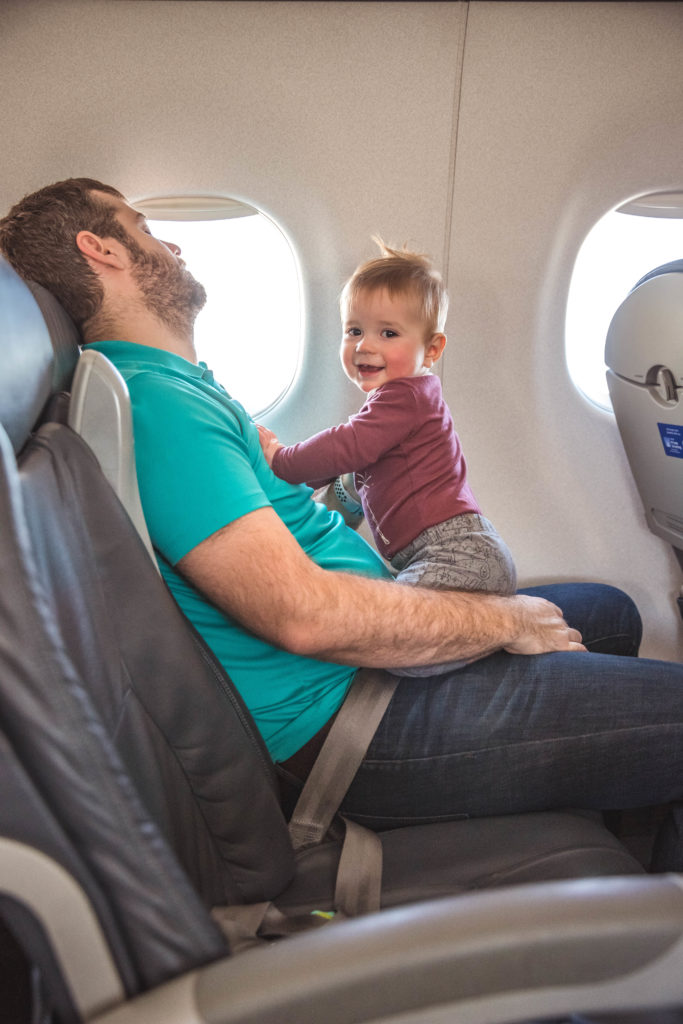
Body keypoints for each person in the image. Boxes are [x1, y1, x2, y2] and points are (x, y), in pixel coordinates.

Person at [1, 178, 682, 870]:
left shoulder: (178, 385)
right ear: (101, 249)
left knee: (608, 613)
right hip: (356, 726)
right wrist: (503, 620)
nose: (168, 242)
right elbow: (302, 616)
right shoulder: (156, 407)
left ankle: (580, 820)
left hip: (362, 679)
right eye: (142, 227)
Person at [258, 240, 516, 675]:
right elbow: (356, 480)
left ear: (432, 349)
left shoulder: (406, 397)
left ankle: (497, 646)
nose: (363, 346)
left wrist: (281, 460)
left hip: (456, 554)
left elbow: (346, 446)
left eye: (388, 333)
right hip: (441, 555)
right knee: (393, 636)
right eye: (354, 330)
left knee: (390, 645)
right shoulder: (398, 403)